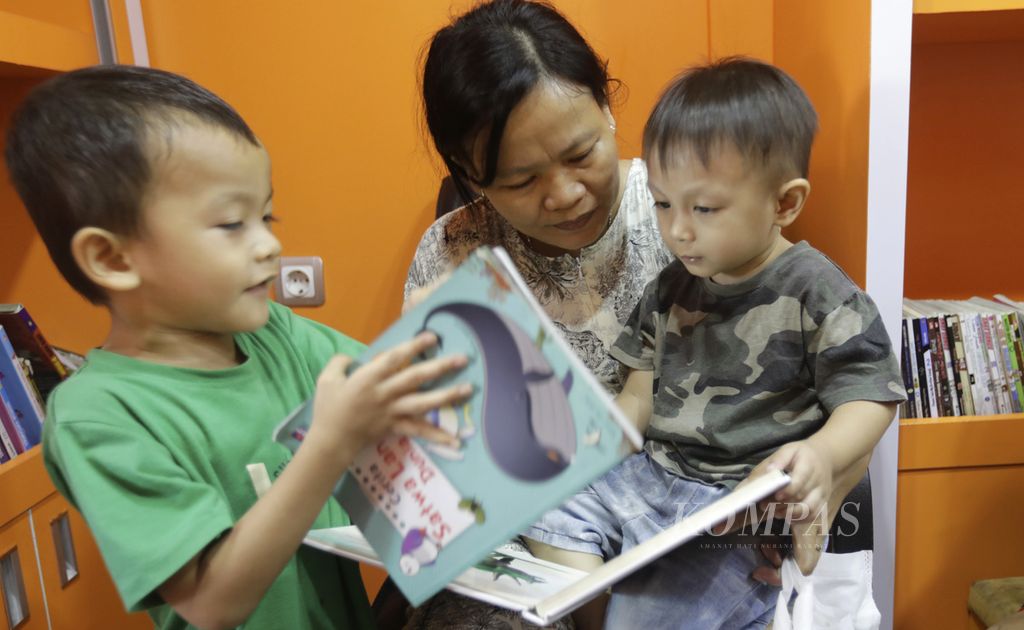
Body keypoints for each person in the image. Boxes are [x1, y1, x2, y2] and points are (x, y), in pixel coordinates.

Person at [4, 65, 472, 630]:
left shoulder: (272, 331)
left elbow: (376, 387)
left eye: (266, 215)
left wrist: (434, 334)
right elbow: (212, 602)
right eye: (231, 223)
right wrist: (330, 442)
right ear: (113, 259)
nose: (269, 243)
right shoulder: (97, 418)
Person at [523, 57, 908, 628]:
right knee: (540, 504)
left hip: (736, 511)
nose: (677, 229)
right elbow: (640, 393)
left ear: (784, 203)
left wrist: (823, 457)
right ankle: (603, 593)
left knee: (644, 615)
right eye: (662, 203)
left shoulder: (817, 290)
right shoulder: (670, 284)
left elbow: (871, 396)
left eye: (703, 208)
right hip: (653, 479)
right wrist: (595, 436)